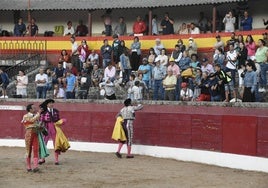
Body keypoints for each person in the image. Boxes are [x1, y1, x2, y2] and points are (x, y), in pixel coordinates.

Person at [39, 99, 61, 165]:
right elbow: (41, 120)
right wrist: (41, 128)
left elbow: (58, 120)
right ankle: (42, 159)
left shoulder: (56, 111)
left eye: (52, 103)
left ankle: (56, 160)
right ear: (47, 104)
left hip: (54, 128)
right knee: (44, 143)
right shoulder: (44, 112)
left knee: (56, 143)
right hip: (46, 127)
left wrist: (61, 122)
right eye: (50, 103)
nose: (51, 104)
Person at [21, 104, 41, 172]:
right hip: (29, 135)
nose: (35, 109)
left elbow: (37, 124)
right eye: (34, 108)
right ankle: (28, 166)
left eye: (35, 108)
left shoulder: (36, 116)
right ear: (30, 110)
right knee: (28, 151)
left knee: (36, 150)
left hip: (35, 134)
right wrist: (38, 114)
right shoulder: (26, 116)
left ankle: (35, 166)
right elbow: (32, 120)